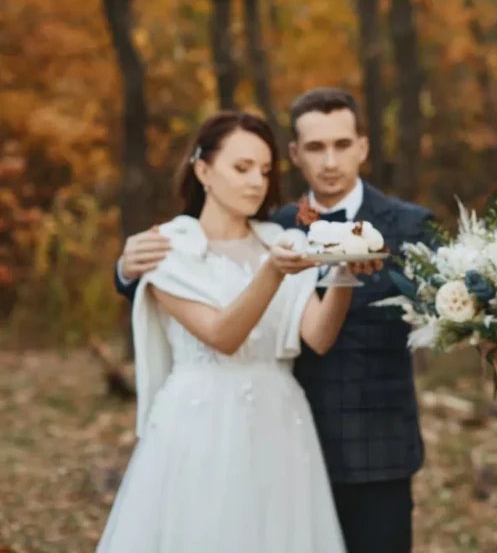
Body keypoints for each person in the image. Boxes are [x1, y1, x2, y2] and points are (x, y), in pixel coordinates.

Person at [113, 89, 432, 553]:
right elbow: (216, 330)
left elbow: (321, 335)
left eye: (263, 172)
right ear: (203, 170)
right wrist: (124, 268)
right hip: (208, 425)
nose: (256, 183)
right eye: (242, 169)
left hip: (312, 431)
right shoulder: (185, 244)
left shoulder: (288, 235)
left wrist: (342, 271)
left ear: (363, 147)